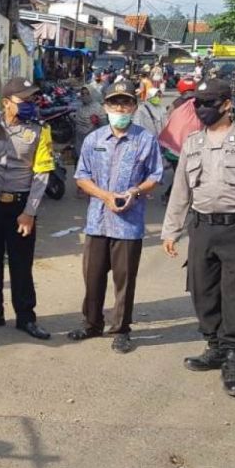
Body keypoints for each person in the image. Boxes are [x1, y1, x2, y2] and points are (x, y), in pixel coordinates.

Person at [161, 78, 235, 398]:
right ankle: (214, 346)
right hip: (203, 227)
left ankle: (233, 358)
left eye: (209, 103)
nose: (202, 109)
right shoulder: (192, 142)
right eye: (198, 103)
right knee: (202, 290)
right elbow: (181, 191)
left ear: (227, 105)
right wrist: (170, 230)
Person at [67, 81, 164, 353]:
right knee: (93, 276)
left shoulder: (145, 140)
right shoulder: (93, 140)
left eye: (126, 103)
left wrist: (134, 191)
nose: (120, 108)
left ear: (134, 106)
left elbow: (155, 176)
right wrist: (104, 195)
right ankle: (91, 323)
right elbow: (81, 176)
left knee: (124, 279)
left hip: (129, 224)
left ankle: (121, 329)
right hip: (97, 221)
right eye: (114, 103)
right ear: (106, 106)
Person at [0, 77, 55, 340]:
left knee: (21, 264)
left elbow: (41, 176)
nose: (30, 104)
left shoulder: (39, 131)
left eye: (32, 99)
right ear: (6, 102)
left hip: (19, 207)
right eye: (24, 100)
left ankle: (26, 317)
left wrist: (30, 212)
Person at [74, 86, 107, 167]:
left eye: (87, 93)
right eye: (83, 94)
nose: (85, 96)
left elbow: (104, 128)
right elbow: (77, 127)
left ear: (92, 94)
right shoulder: (80, 108)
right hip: (80, 141)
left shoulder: (97, 108)